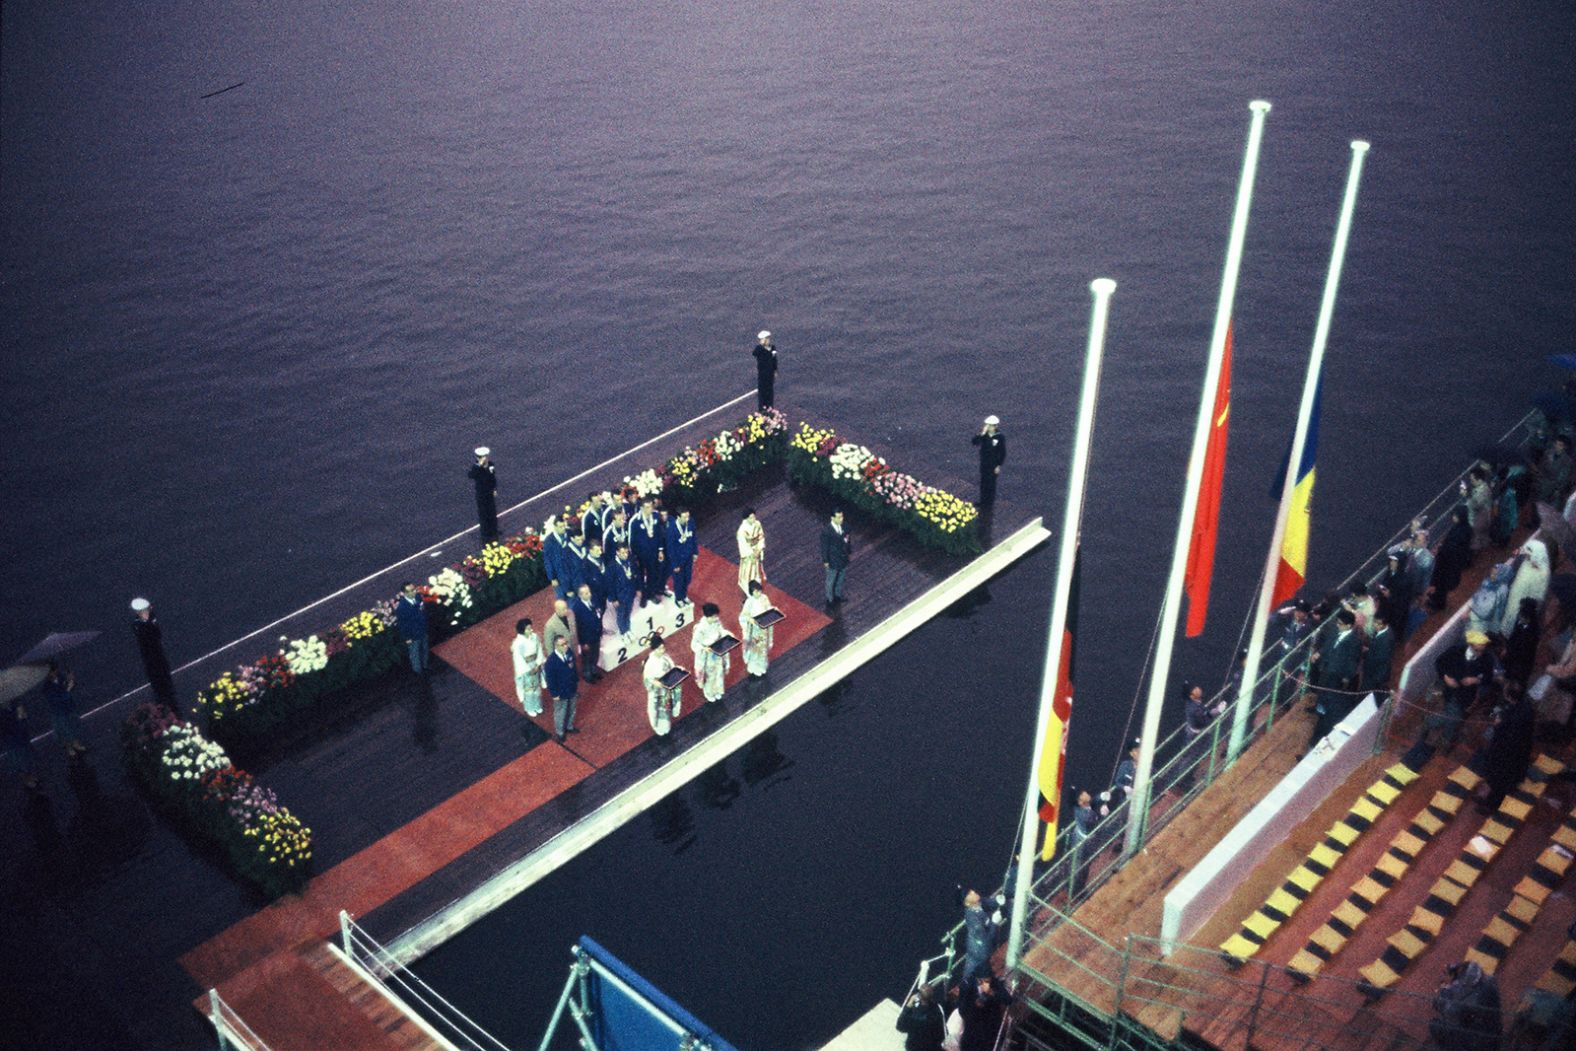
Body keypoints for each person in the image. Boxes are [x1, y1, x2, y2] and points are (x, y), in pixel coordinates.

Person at [1428, 630, 1494, 749]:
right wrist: (1445, 677)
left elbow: (1489, 679)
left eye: (1482, 650)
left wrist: (1475, 680)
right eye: (1477, 650)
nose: (1479, 653)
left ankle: (1440, 732)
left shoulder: (1487, 658)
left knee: (1454, 715)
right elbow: (1439, 662)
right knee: (1453, 715)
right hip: (1449, 690)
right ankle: (1436, 727)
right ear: (1470, 645)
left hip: (1466, 694)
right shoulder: (1456, 650)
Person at [1308, 609, 1360, 751]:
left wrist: (1346, 677)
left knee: (1331, 695)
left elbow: (1352, 661)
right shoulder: (1335, 633)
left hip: (1337, 674)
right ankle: (1319, 707)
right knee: (1322, 689)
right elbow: (1327, 646)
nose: (1338, 625)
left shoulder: (1354, 642)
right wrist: (1318, 654)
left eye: (1341, 624)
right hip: (1327, 668)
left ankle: (1325, 714)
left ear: (1349, 625)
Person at [1481, 681, 1536, 811]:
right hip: (1519, 749)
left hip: (1506, 751)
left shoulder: (1510, 714)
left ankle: (1491, 806)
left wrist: (1498, 724)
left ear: (1509, 696)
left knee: (1499, 779)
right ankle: (1490, 799)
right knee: (1501, 778)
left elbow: (1503, 733)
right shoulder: (1526, 708)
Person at [1429, 961, 1502, 1051]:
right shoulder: (1489, 984)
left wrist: (1444, 989)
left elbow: (1450, 1011)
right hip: (1491, 1031)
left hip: (1477, 1040)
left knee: (1435, 1026)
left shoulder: (1472, 999)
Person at [130, 597, 178, 708]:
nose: (147, 613)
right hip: (150, 657)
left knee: (164, 673)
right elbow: (150, 637)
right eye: (144, 611)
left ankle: (168, 693)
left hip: (158, 654)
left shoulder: (150, 620)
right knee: (156, 677)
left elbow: (158, 634)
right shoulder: (138, 626)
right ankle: (163, 698)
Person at [1428, 507, 1476, 610]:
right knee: (1441, 583)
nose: (1453, 517)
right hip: (1449, 562)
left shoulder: (1460, 532)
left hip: (1448, 563)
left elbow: (1452, 548)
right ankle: (1437, 597)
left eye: (1455, 516)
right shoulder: (1464, 528)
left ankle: (1439, 603)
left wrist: (1441, 549)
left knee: (1442, 583)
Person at [1502, 538, 1550, 635]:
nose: (1527, 556)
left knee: (1518, 620)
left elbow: (1539, 594)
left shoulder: (1543, 573)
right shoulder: (1526, 563)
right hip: (1515, 595)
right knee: (1510, 612)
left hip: (1525, 602)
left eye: (1529, 555)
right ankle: (1505, 630)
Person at [41, 663, 87, 759]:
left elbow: (71, 686)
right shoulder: (46, 687)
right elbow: (57, 699)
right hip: (58, 712)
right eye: (54, 672)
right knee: (64, 730)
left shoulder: (61, 677)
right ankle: (69, 748)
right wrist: (68, 689)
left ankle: (76, 744)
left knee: (73, 725)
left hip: (69, 708)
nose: (56, 673)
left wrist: (72, 680)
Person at [956, 975, 1012, 1051]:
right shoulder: (970, 986)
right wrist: (975, 1005)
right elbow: (963, 1011)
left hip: (989, 1035)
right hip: (972, 1034)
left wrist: (991, 992)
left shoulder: (995, 985)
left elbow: (1008, 1000)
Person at [959, 889, 1004, 981]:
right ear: (967, 903)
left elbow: (988, 902)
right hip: (979, 951)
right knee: (974, 972)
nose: (973, 892)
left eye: (971, 891)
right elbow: (987, 939)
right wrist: (994, 923)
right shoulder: (975, 923)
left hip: (980, 948)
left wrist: (996, 900)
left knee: (981, 968)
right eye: (969, 894)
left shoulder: (979, 902)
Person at [691, 602, 731, 703]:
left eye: (716, 616)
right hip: (707, 654)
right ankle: (709, 693)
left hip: (717, 650)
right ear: (707, 616)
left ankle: (717, 690)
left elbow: (721, 631)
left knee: (718, 672)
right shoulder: (700, 628)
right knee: (710, 675)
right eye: (713, 616)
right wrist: (704, 648)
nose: (715, 618)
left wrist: (727, 635)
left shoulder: (716, 621)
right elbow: (694, 644)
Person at [642, 635, 682, 735]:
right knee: (657, 709)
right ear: (654, 649)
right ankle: (657, 727)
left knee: (666, 708)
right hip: (657, 691)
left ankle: (665, 725)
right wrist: (655, 683)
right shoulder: (650, 663)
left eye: (663, 647)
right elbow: (647, 679)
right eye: (659, 648)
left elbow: (672, 667)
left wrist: (678, 670)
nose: (662, 650)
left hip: (666, 687)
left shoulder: (665, 657)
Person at [544, 635, 579, 743]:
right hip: (560, 692)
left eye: (566, 643)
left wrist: (576, 682)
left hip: (571, 688)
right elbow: (550, 680)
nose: (565, 646)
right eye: (562, 644)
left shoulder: (569, 653)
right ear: (556, 646)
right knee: (560, 712)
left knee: (572, 709)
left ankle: (569, 726)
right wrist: (554, 694)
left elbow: (573, 668)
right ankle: (560, 733)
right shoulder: (551, 662)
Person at [631, 497, 666, 607]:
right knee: (640, 576)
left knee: (653, 574)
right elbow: (631, 541)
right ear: (641, 508)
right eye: (647, 507)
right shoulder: (635, 521)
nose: (649, 509)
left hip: (654, 552)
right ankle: (643, 597)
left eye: (651, 506)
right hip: (641, 555)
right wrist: (634, 556)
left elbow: (660, 534)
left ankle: (650, 594)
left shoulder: (655, 516)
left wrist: (660, 550)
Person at [2, 698, 41, 792]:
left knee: (25, 760)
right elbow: (7, 727)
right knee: (21, 762)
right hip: (13, 741)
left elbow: (22, 719)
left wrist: (22, 715)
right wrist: (19, 717)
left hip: (19, 738)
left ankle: (29, 776)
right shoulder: (4, 713)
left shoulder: (13, 704)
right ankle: (27, 779)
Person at [1502, 597, 1542, 686]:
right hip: (1511, 657)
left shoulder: (1533, 631)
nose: (1519, 611)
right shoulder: (1521, 621)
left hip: (1520, 663)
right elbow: (1513, 636)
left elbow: (1525, 652)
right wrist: (1507, 648)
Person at [510, 618, 545, 716]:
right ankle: (529, 707)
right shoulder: (518, 643)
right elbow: (518, 658)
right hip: (526, 667)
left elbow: (539, 649)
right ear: (522, 630)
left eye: (531, 628)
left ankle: (537, 705)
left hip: (535, 663)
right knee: (529, 688)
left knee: (537, 686)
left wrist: (538, 663)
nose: (531, 630)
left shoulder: (535, 637)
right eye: (528, 629)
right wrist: (528, 669)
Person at [895, 984, 947, 1051]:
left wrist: (910, 1003)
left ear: (919, 995)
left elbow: (900, 1026)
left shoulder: (914, 1014)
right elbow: (942, 1034)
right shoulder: (938, 1010)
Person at [971, 415, 1007, 508]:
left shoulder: (1000, 437)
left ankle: (989, 504)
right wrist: (981, 434)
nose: (987, 427)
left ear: (995, 426)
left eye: (989, 425)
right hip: (984, 463)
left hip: (993, 465)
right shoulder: (985, 435)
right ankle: (983, 502)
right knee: (983, 483)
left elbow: (1002, 452)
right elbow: (974, 442)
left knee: (991, 484)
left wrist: (998, 465)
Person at [741, 580, 775, 678]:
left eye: (759, 591)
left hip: (763, 628)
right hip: (754, 630)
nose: (758, 593)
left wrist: (772, 610)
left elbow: (768, 608)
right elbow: (743, 616)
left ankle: (761, 667)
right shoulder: (749, 602)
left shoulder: (764, 598)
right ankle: (753, 668)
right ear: (752, 592)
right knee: (754, 651)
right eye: (756, 591)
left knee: (762, 650)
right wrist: (750, 620)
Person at [572, 584, 605, 683]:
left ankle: (594, 671)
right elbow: (578, 628)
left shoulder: (594, 601)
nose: (589, 594)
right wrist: (583, 643)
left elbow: (599, 612)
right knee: (587, 658)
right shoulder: (577, 608)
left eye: (589, 592)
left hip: (596, 635)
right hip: (587, 639)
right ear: (580, 595)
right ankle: (587, 675)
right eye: (586, 593)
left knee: (595, 655)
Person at [395, 583, 430, 675]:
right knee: (415, 654)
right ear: (403, 593)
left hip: (423, 630)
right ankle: (418, 672)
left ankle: (425, 667)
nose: (413, 592)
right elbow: (402, 625)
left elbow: (423, 611)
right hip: (413, 635)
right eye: (409, 591)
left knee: (425, 650)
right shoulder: (401, 608)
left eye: (413, 589)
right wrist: (407, 638)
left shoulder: (418, 597)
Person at [666, 508, 698, 607]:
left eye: (688, 516)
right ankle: (679, 598)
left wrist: (695, 552)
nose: (687, 519)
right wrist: (675, 564)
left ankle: (684, 596)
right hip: (678, 560)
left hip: (688, 558)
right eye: (684, 517)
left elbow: (694, 539)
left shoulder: (690, 523)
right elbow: (670, 548)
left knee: (687, 579)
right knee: (679, 580)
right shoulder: (671, 528)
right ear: (678, 517)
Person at [821, 508, 852, 608]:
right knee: (831, 580)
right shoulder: (827, 531)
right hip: (833, 559)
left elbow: (848, 540)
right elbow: (824, 547)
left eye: (842, 516)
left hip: (843, 557)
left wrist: (849, 551)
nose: (841, 519)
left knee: (841, 577)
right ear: (832, 518)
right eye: (838, 517)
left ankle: (838, 595)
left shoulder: (845, 526)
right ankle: (830, 600)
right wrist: (825, 560)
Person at [1362, 609, 1396, 699]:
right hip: (1374, 671)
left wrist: (1368, 653)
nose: (1375, 625)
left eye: (1378, 624)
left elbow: (1381, 659)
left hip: (1375, 673)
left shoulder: (1386, 640)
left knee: (1367, 694)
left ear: (1386, 624)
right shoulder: (1384, 632)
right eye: (1375, 622)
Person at [608, 543, 639, 642]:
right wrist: (613, 599)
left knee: (628, 612)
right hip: (619, 596)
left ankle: (628, 629)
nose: (625, 555)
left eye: (626, 552)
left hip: (630, 592)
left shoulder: (630, 561)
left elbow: (635, 575)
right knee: (621, 614)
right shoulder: (612, 566)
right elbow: (610, 585)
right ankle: (623, 632)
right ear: (617, 553)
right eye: (622, 553)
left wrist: (637, 589)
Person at [469, 447, 499, 542]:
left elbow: (493, 478)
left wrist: (494, 489)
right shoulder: (476, 467)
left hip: (490, 492)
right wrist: (479, 466)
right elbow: (471, 475)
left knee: (492, 512)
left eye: (485, 456)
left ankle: (494, 530)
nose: (485, 458)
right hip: (482, 494)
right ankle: (486, 533)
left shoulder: (490, 465)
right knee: (484, 513)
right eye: (482, 457)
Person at [1536, 433, 1573, 507]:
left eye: (1560, 445)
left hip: (1553, 487)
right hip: (1541, 482)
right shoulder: (1548, 452)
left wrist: (1557, 490)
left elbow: (1563, 478)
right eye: (1556, 444)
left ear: (1564, 447)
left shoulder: (1567, 461)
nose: (1557, 446)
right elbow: (1541, 467)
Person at [737, 508, 766, 597]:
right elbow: (743, 544)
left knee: (757, 572)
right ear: (746, 519)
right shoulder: (742, 530)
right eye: (751, 517)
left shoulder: (757, 524)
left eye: (754, 516)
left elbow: (761, 537)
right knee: (747, 575)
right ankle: (749, 593)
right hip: (748, 555)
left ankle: (759, 590)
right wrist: (752, 553)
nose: (753, 519)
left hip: (756, 550)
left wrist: (759, 548)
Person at [543, 517, 574, 600]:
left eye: (564, 526)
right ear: (555, 527)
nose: (563, 528)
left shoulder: (570, 534)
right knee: (563, 600)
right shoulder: (548, 541)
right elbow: (547, 561)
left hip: (572, 571)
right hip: (559, 575)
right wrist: (552, 578)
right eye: (560, 527)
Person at [1465, 465, 1494, 552]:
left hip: (1479, 519)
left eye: (1472, 480)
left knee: (1476, 537)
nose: (1471, 482)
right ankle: (1484, 543)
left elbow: (1475, 505)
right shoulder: (1482, 487)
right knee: (1483, 534)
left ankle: (1476, 550)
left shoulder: (1482, 491)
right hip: (1484, 516)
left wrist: (1466, 495)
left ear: (1480, 480)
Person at [752, 330, 778, 411]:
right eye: (766, 339)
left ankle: (770, 408)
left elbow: (775, 359)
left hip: (770, 374)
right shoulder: (759, 349)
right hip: (763, 375)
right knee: (762, 393)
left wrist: (775, 370)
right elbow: (754, 353)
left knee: (770, 392)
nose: (768, 340)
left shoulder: (773, 348)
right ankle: (762, 410)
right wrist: (761, 345)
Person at [582, 540, 610, 610]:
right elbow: (588, 583)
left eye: (600, 549)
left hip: (607, 590)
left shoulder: (603, 557)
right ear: (590, 551)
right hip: (597, 595)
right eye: (597, 551)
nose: (600, 552)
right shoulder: (585, 565)